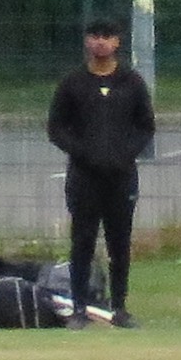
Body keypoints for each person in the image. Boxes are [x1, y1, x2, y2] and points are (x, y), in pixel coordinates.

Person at [48, 17, 155, 325]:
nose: (100, 42)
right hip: (84, 176)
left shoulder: (131, 82)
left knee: (119, 241)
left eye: (107, 37)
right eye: (94, 36)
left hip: (121, 177)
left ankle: (119, 307)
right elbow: (56, 128)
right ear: (86, 41)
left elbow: (145, 126)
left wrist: (124, 154)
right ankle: (79, 308)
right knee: (82, 240)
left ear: (117, 42)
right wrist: (83, 152)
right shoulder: (73, 83)